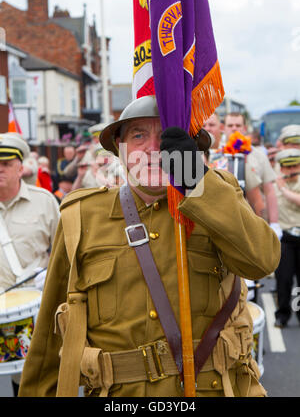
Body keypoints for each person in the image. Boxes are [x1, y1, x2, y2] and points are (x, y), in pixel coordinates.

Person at [19, 96, 280, 398]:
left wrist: (198, 182)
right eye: (138, 135)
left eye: (166, 135)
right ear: (120, 149)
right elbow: (49, 342)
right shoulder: (81, 215)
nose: (154, 149)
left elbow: (262, 261)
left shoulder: (216, 197)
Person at [0, 133, 60, 396]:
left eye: (5, 164)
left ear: (20, 168)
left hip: (34, 310)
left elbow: (64, 252)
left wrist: (48, 275)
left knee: (30, 382)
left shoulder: (43, 202)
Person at [223, 113, 282, 239]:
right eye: (230, 125)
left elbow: (269, 191)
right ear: (224, 128)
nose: (234, 128)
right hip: (224, 222)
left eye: (238, 125)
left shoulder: (259, 155)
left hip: (254, 220)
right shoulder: (216, 155)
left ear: (244, 128)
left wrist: (274, 223)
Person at [273, 148, 300, 328]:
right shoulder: (273, 186)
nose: (292, 170)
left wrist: (283, 189)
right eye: (287, 167)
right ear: (281, 168)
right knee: (284, 279)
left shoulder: (280, 187)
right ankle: (282, 314)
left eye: (296, 166)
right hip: (285, 238)